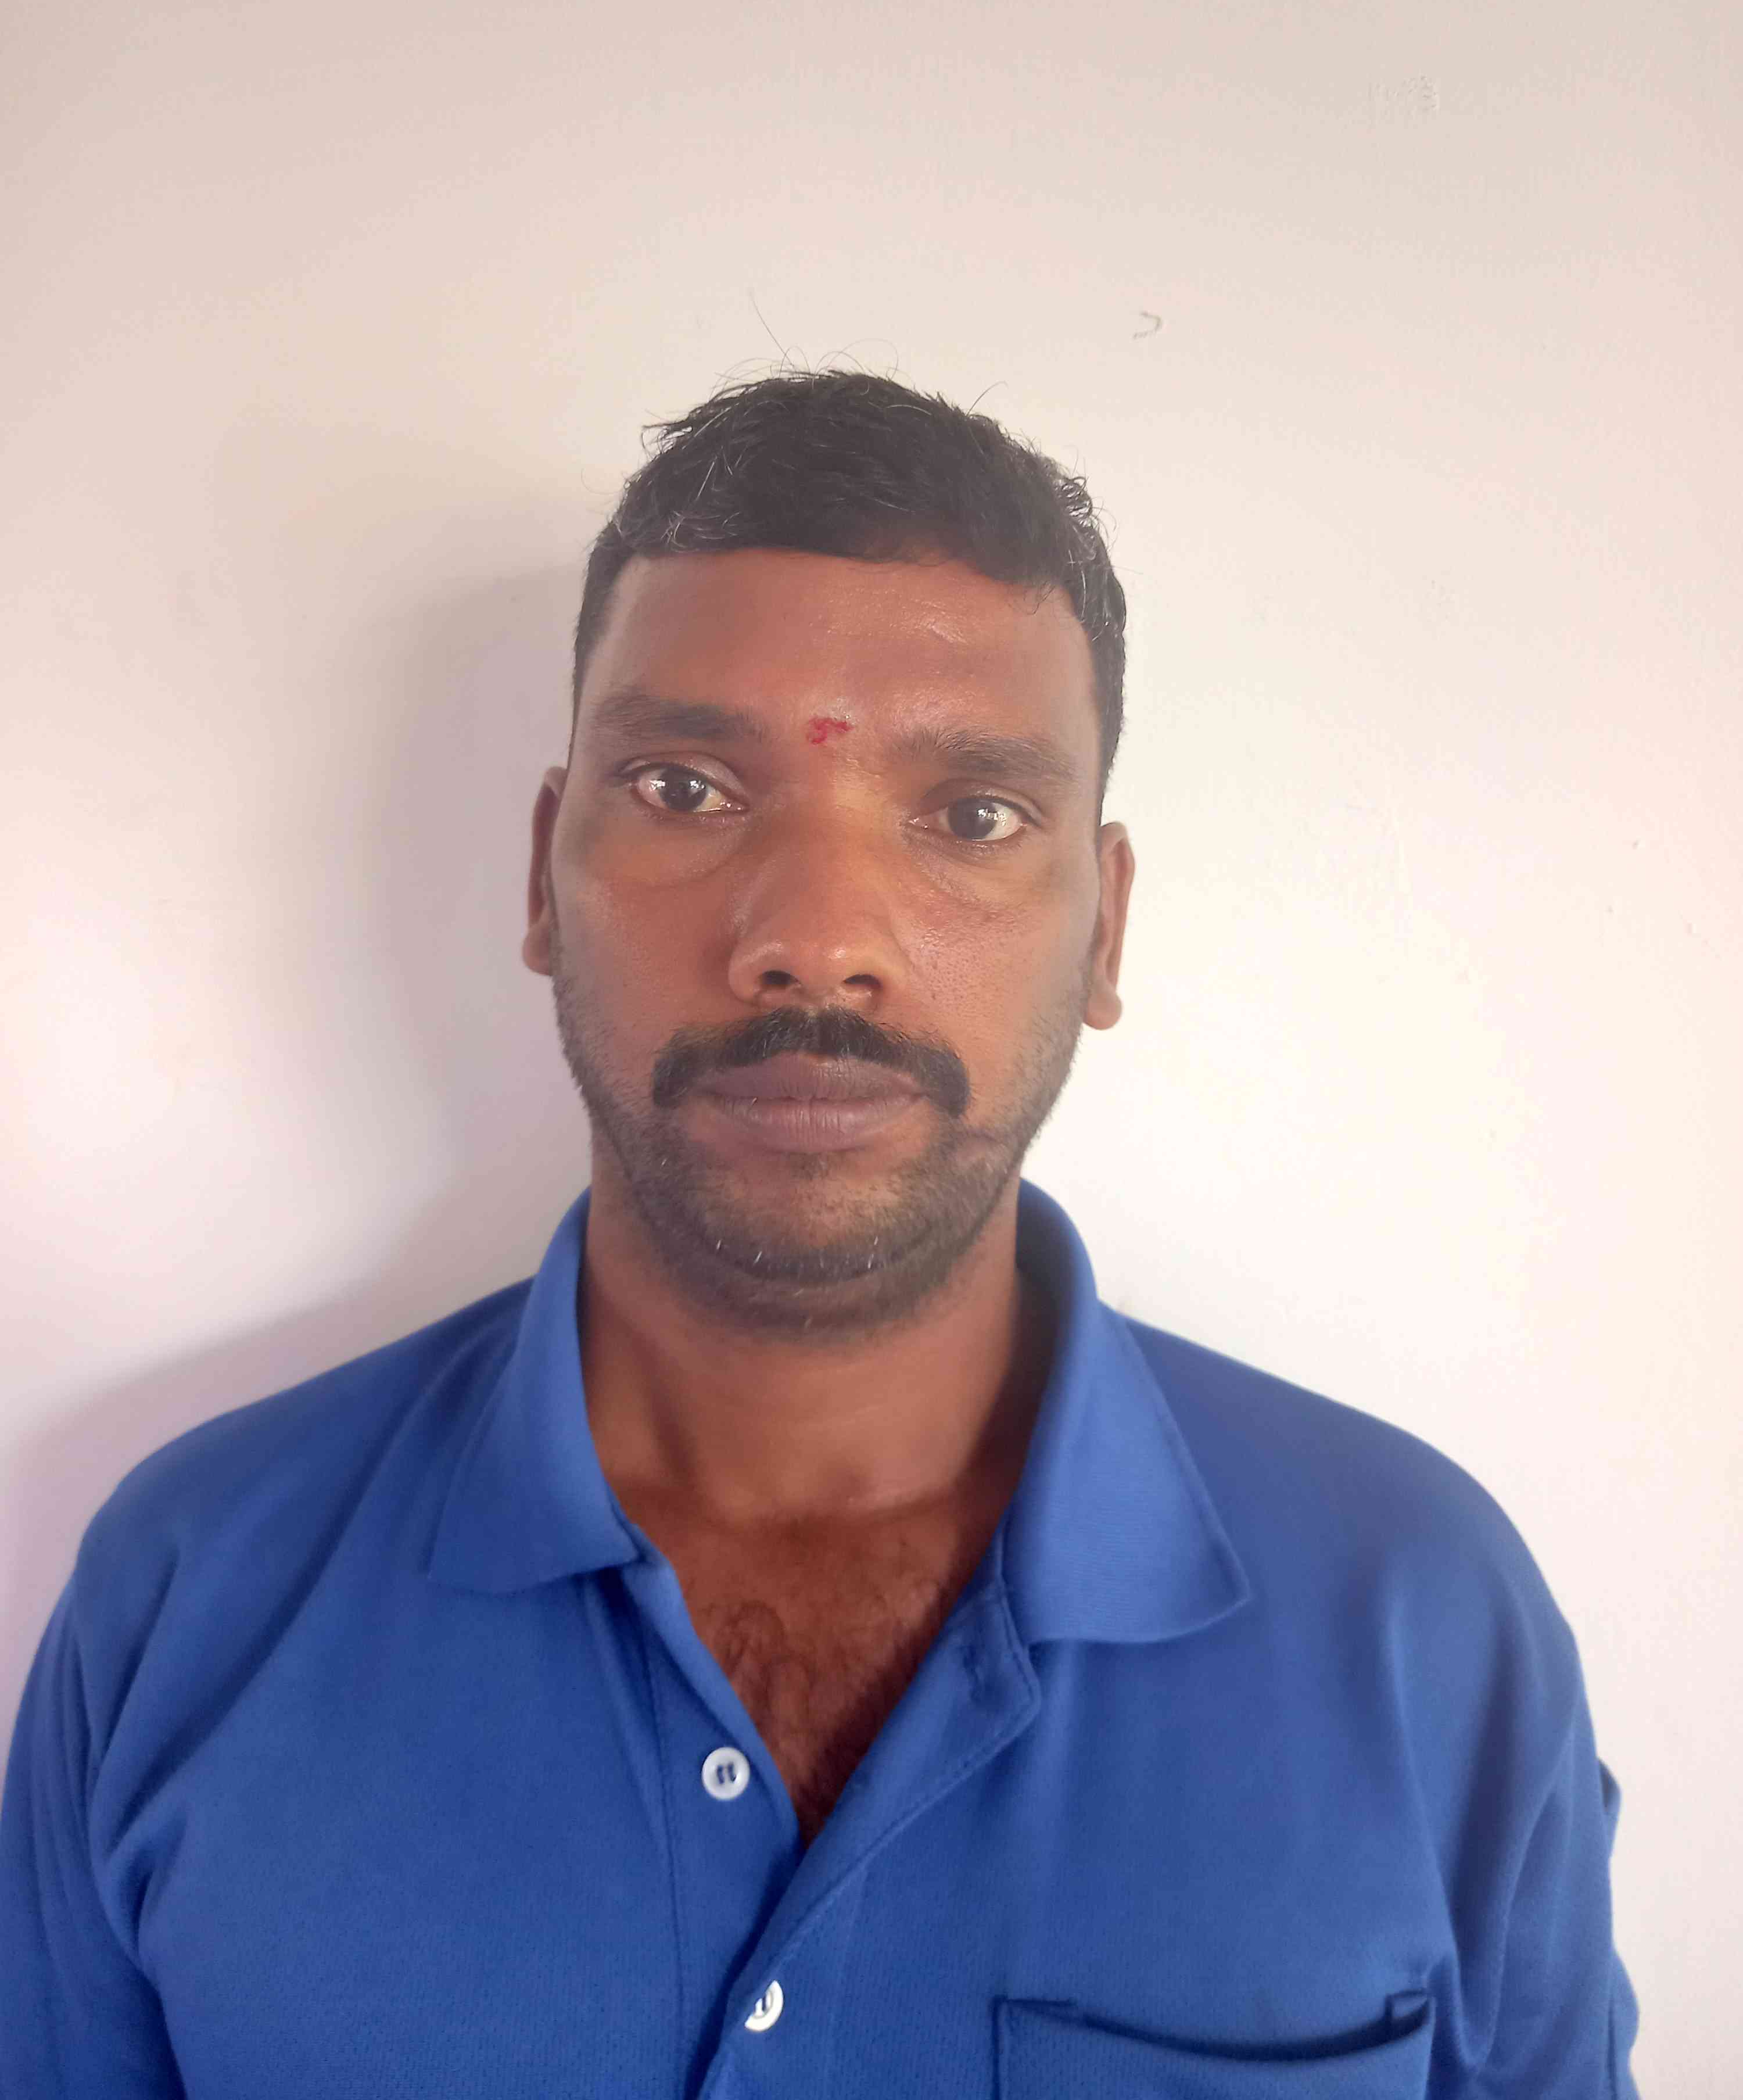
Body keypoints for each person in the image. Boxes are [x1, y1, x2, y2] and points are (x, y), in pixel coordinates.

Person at [0, 370, 1639, 2097]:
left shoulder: (1425, 1623)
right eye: (688, 788)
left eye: (972, 816)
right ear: (545, 874)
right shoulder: (193, 1592)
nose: (815, 940)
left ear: (1102, 930)